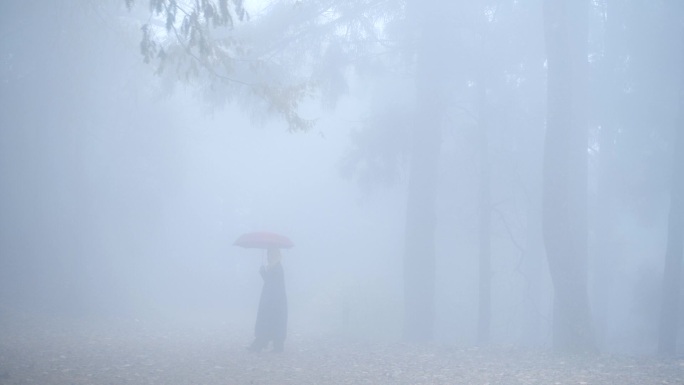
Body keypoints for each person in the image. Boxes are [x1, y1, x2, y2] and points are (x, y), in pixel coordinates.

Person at [248, 247, 288, 353]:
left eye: (270, 255)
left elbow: (273, 284)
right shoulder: (274, 267)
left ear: (275, 255)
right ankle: (265, 344)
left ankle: (265, 344)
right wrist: (264, 273)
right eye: (267, 255)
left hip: (274, 301)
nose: (268, 257)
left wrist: (264, 273)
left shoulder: (277, 268)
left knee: (271, 321)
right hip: (271, 299)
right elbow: (270, 282)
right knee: (271, 321)